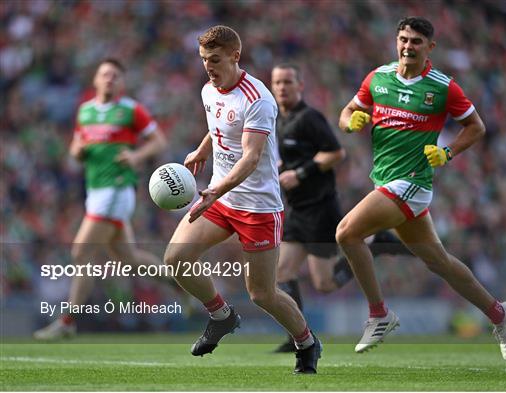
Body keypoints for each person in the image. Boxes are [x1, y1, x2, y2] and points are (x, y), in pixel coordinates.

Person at [336, 16, 506, 361]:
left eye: (416, 41)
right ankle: (499, 314)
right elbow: (347, 111)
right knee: (439, 262)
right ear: (396, 41)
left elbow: (475, 127)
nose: (408, 46)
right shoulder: (378, 78)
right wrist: (350, 122)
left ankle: (379, 315)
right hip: (386, 179)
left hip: (412, 182)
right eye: (403, 39)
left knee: (346, 233)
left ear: (430, 47)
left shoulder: (442, 87)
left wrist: (448, 152)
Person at [163, 26, 321, 374]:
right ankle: (221, 316)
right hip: (221, 197)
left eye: (215, 59)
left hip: (258, 206)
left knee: (262, 294)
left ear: (235, 55)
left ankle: (307, 342)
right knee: (176, 258)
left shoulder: (258, 99)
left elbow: (250, 158)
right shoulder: (209, 89)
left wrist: (214, 191)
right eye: (204, 59)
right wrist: (202, 149)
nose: (208, 66)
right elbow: (219, 122)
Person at [270, 63, 412, 353]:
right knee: (282, 272)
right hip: (297, 210)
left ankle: (375, 245)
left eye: (287, 81)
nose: (282, 87)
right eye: (277, 82)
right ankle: (298, 336)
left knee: (323, 283)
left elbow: (336, 153)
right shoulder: (278, 120)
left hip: (320, 208)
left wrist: (300, 173)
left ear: (300, 86)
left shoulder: (309, 118)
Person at [34, 58, 167, 340]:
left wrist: (136, 155)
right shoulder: (85, 111)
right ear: (95, 79)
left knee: (82, 252)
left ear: (122, 82)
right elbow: (75, 148)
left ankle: (67, 322)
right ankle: (181, 281)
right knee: (129, 259)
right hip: (94, 191)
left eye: (115, 75)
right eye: (105, 74)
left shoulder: (130, 110)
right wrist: (78, 152)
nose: (109, 79)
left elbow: (159, 141)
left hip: (117, 189)